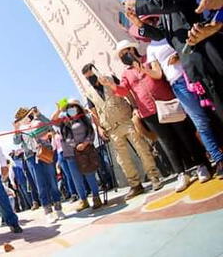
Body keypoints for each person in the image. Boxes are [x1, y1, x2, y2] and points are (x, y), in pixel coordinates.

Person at [124, 0, 223, 129]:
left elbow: (174, 1)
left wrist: (138, 4)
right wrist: (139, 24)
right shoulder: (165, 8)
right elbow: (163, 33)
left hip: (209, 53)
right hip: (196, 66)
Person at [101, 40, 211, 192]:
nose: (124, 56)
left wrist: (142, 68)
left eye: (126, 52)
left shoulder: (148, 59)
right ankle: (181, 173)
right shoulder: (126, 73)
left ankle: (201, 165)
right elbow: (124, 90)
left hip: (167, 101)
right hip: (149, 111)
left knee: (185, 134)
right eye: (121, 55)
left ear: (133, 49)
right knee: (168, 143)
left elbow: (158, 75)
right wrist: (110, 85)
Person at [137, 30, 221, 179]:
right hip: (178, 83)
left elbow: (188, 43)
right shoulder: (151, 49)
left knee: (215, 111)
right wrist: (145, 70)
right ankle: (218, 159)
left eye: (152, 21)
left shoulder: (171, 32)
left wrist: (179, 54)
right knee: (200, 121)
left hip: (194, 71)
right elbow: (158, 73)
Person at [82, 63, 164, 198]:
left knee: (142, 148)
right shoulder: (89, 93)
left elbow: (126, 92)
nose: (90, 79)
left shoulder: (110, 78)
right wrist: (99, 128)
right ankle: (135, 185)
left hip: (126, 119)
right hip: (111, 127)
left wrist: (135, 107)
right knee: (122, 159)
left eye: (91, 76)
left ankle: (154, 177)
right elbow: (94, 111)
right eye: (87, 78)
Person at [14, 107, 64, 223]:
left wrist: (39, 114)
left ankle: (58, 208)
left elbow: (50, 125)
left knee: (52, 181)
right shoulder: (21, 129)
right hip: (31, 157)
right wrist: (16, 129)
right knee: (40, 184)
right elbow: (16, 141)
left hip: (45, 153)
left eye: (27, 114)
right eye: (22, 116)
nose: (26, 117)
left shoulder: (39, 122)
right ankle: (48, 211)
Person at [52, 100, 104, 211]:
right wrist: (59, 110)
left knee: (89, 174)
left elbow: (91, 133)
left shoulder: (84, 119)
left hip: (85, 152)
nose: (71, 109)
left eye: (73, 107)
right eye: (68, 107)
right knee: (76, 178)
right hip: (70, 154)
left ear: (77, 108)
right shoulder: (64, 121)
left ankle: (96, 197)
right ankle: (83, 200)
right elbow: (52, 121)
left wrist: (85, 143)